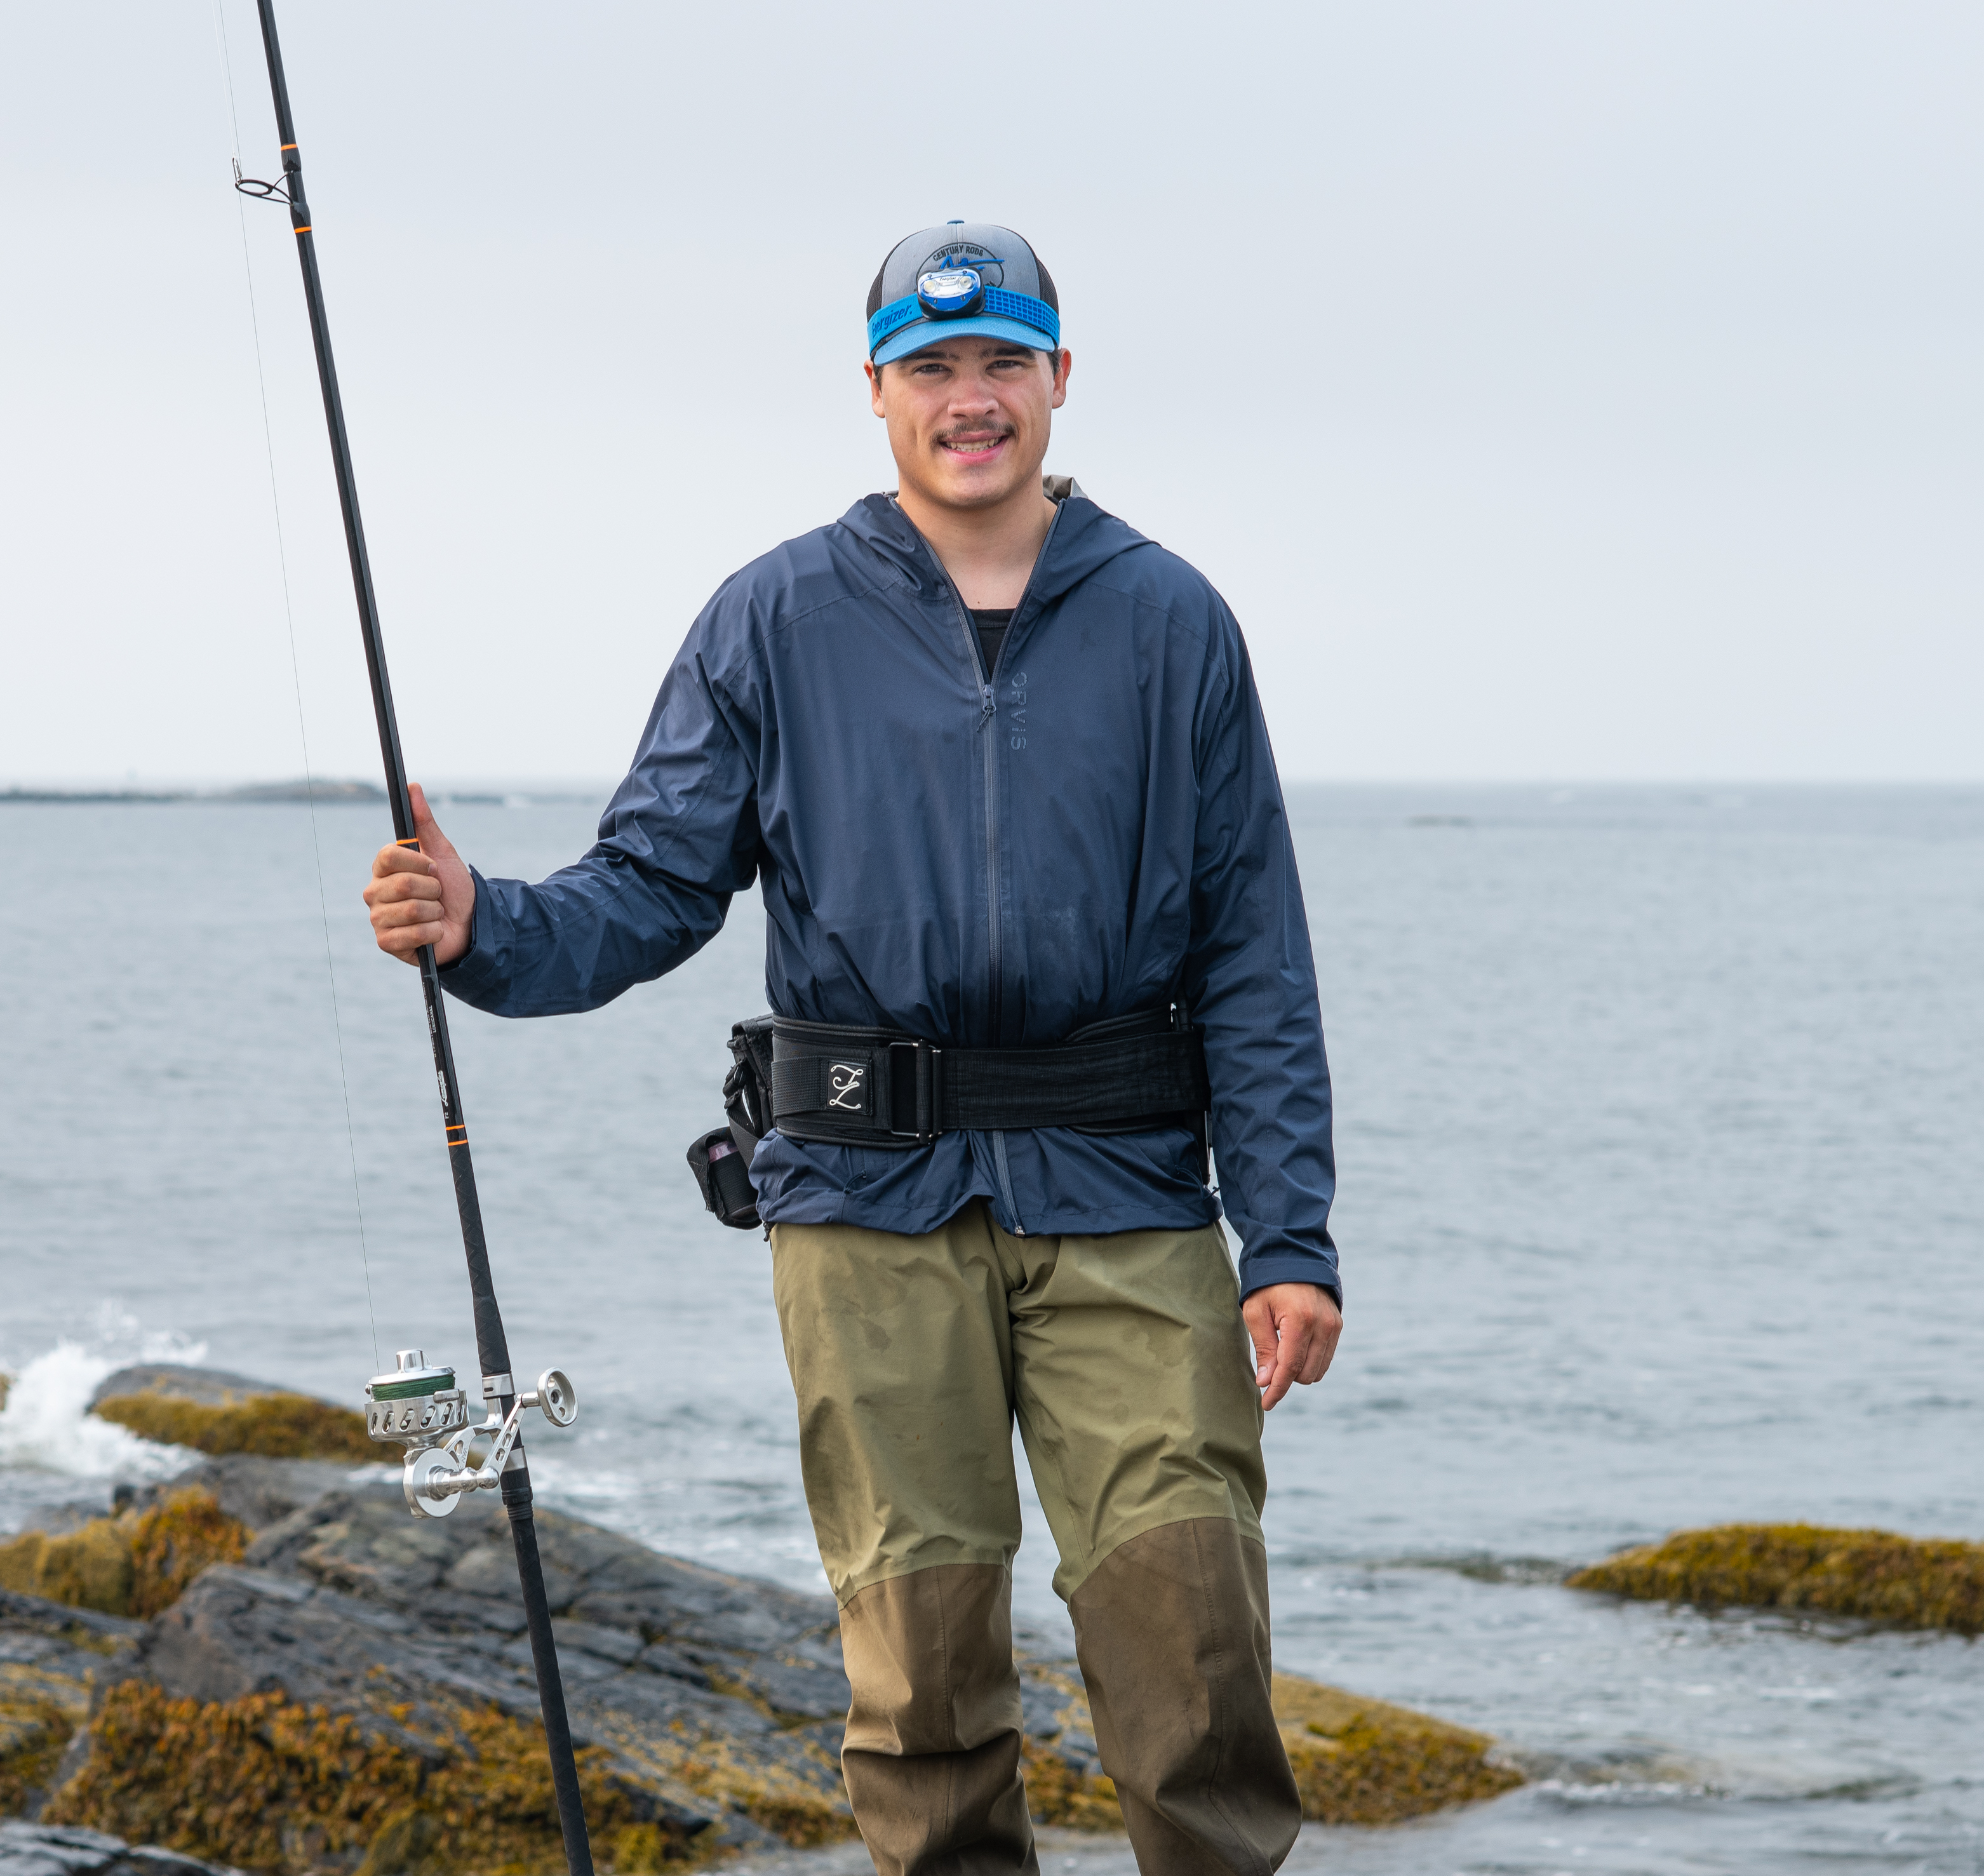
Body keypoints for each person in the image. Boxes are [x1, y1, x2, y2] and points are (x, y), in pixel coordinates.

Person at [362, 221, 1340, 1876]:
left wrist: (1289, 1232)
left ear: (1058, 382)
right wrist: (483, 925)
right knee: (922, 1668)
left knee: (1189, 1650)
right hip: (861, 1206)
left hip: (1127, 1202)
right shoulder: (772, 618)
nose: (971, 400)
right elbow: (652, 885)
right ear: (875, 393)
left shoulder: (1173, 621)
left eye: (1002, 365)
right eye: (933, 369)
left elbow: (1253, 951)